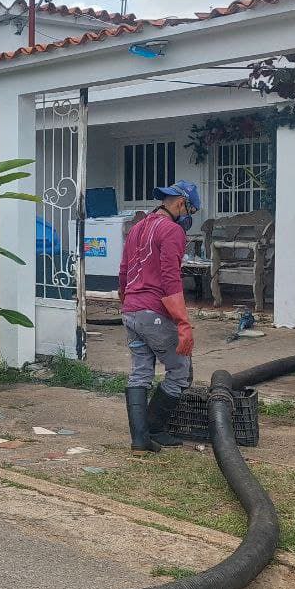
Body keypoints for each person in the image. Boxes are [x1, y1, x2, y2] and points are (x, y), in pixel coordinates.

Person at [118, 181, 200, 452]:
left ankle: (140, 439)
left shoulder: (136, 229)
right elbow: (170, 278)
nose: (190, 216)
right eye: (191, 209)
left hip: (131, 311)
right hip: (153, 312)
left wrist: (128, 303)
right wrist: (183, 323)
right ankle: (155, 428)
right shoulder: (173, 231)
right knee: (179, 370)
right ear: (180, 204)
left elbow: (123, 271)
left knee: (141, 371)